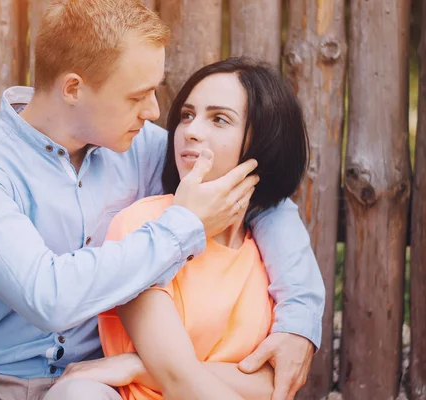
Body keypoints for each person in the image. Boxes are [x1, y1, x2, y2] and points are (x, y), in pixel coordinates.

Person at [0, 1, 324, 399]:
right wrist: (183, 224)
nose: (154, 111)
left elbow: (263, 194)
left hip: (97, 383)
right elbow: (49, 296)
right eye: (136, 96)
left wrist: (300, 322)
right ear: (73, 88)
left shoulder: (143, 147)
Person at [58, 57, 309, 400]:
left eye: (219, 119)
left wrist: (137, 367)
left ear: (265, 142)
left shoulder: (273, 251)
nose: (190, 130)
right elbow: (178, 380)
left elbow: (272, 384)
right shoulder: (143, 228)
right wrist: (165, 370)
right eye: (187, 115)